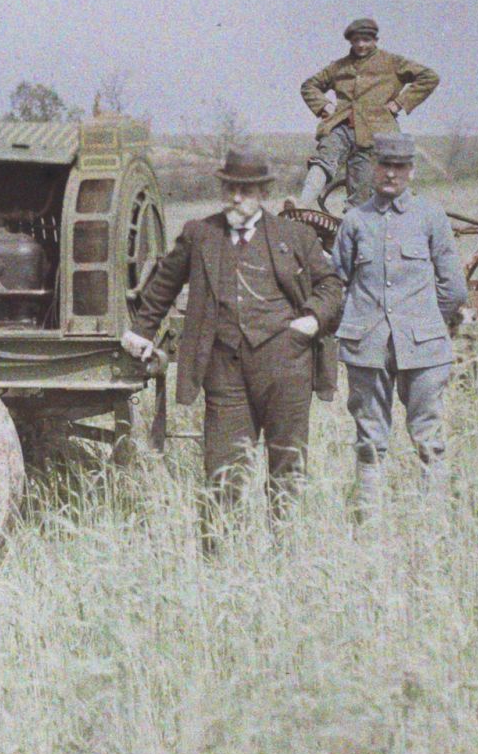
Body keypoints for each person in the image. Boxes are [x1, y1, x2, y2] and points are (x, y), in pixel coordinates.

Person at [121, 145, 343, 537]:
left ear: (263, 192)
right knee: (222, 470)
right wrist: (141, 331)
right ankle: (220, 553)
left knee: (287, 465)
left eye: (246, 190)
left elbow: (331, 286)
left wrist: (310, 320)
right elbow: (163, 287)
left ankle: (285, 548)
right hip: (225, 371)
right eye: (230, 189)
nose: (236, 198)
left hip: (286, 367)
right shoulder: (200, 235)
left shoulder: (295, 236)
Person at [331, 132, 468, 508]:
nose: (391, 173)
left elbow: (454, 288)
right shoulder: (355, 221)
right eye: (384, 165)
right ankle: (369, 519)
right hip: (368, 347)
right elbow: (336, 282)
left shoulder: (430, 216)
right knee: (369, 439)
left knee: (428, 434)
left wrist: (426, 322)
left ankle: (432, 519)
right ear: (373, 168)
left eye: (399, 166)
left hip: (423, 348)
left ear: (411, 170)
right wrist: (357, 322)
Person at [296, 17, 441, 210]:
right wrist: (324, 106)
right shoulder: (338, 67)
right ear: (350, 41)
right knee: (324, 159)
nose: (361, 45)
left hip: (374, 135)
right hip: (341, 127)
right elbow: (309, 86)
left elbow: (429, 77)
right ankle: (301, 205)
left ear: (375, 40)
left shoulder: (391, 62)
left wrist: (400, 103)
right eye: (356, 40)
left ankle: (353, 223)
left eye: (366, 40)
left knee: (361, 193)